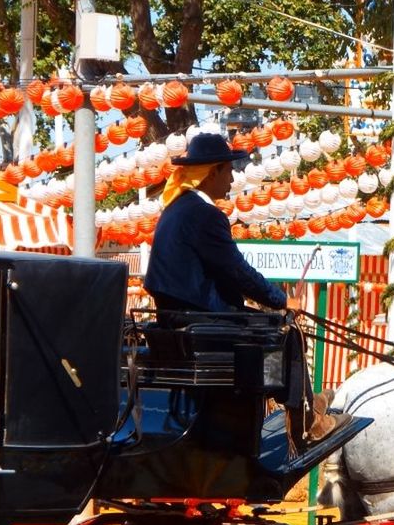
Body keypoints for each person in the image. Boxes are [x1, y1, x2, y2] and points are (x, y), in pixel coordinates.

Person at [144, 132, 349, 446]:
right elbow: (237, 270)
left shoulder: (175, 209)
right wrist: (282, 300)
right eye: (228, 171)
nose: (232, 178)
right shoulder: (204, 215)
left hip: (181, 321)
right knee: (285, 333)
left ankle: (304, 405)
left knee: (266, 324)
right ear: (212, 173)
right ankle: (307, 420)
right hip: (201, 326)